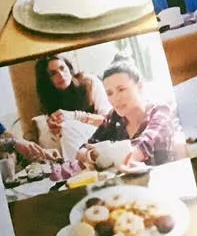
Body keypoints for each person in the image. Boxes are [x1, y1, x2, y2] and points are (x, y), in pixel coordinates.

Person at [52, 60, 183, 174]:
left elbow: (142, 148)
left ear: (139, 86)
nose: (115, 98)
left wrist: (104, 154)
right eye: (109, 93)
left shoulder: (160, 111)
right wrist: (91, 155)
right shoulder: (115, 117)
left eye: (121, 89)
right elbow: (82, 151)